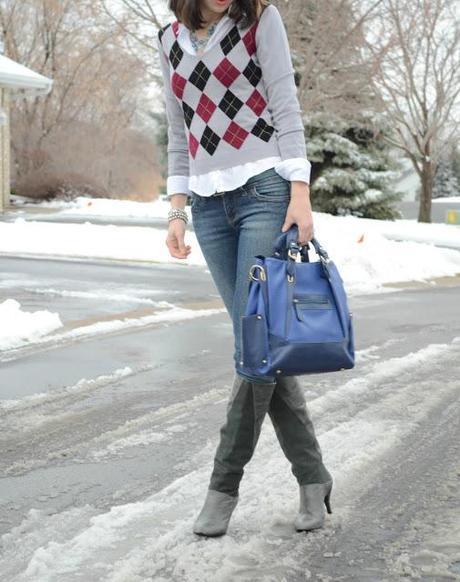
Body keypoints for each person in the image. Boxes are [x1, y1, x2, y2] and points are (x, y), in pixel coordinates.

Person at [157, 0, 333, 537]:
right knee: (260, 347)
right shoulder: (169, 40)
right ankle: (313, 477)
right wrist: (177, 211)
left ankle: (222, 487)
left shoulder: (260, 21)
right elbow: (179, 132)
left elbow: (286, 106)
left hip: (266, 191)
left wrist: (299, 193)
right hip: (209, 210)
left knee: (254, 348)